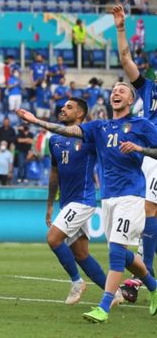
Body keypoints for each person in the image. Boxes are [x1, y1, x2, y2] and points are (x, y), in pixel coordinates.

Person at [16, 81, 157, 323]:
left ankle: (104, 306)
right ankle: (154, 287)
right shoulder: (99, 127)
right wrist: (37, 122)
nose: (116, 92)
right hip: (109, 198)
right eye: (114, 90)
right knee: (122, 256)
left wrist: (140, 148)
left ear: (131, 100)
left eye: (122, 90)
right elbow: (68, 131)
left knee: (115, 253)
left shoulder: (141, 124)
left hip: (132, 195)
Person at [113, 5, 157, 303]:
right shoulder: (149, 89)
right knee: (148, 210)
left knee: (150, 209)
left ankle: (144, 274)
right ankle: (142, 276)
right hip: (150, 155)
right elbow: (126, 59)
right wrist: (120, 28)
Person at [45, 97, 107, 304]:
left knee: (53, 239)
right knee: (81, 255)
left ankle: (76, 282)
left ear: (80, 114)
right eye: (63, 106)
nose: (63, 109)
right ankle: (113, 292)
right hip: (67, 202)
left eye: (69, 107)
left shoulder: (90, 137)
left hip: (83, 200)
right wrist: (50, 205)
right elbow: (54, 174)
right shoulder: (54, 140)